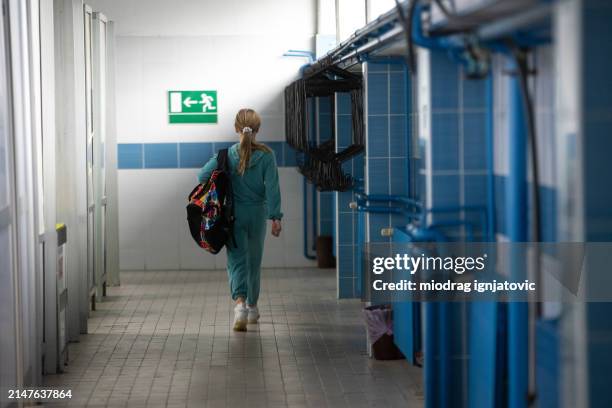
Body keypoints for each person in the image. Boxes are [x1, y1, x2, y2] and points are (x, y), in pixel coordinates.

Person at [197, 108, 282, 331]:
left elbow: (202, 176)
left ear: (236, 128)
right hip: (258, 214)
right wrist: (275, 217)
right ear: (258, 129)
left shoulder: (226, 155)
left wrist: (223, 184)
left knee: (236, 261)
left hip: (233, 215)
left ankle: (240, 307)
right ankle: (253, 308)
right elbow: (272, 188)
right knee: (254, 260)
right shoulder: (266, 155)